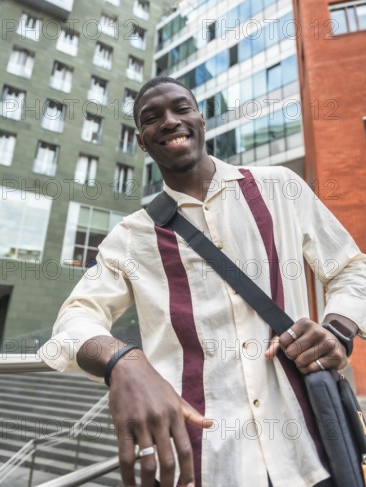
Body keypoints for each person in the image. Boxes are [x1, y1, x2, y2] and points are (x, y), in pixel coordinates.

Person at [40, 76, 366, 487]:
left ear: (201, 119)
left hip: (311, 454)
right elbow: (72, 322)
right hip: (207, 467)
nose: (170, 121)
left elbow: (352, 268)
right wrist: (124, 361)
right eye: (152, 117)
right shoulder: (129, 237)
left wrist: (337, 330)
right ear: (141, 142)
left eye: (181, 108)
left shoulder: (280, 188)